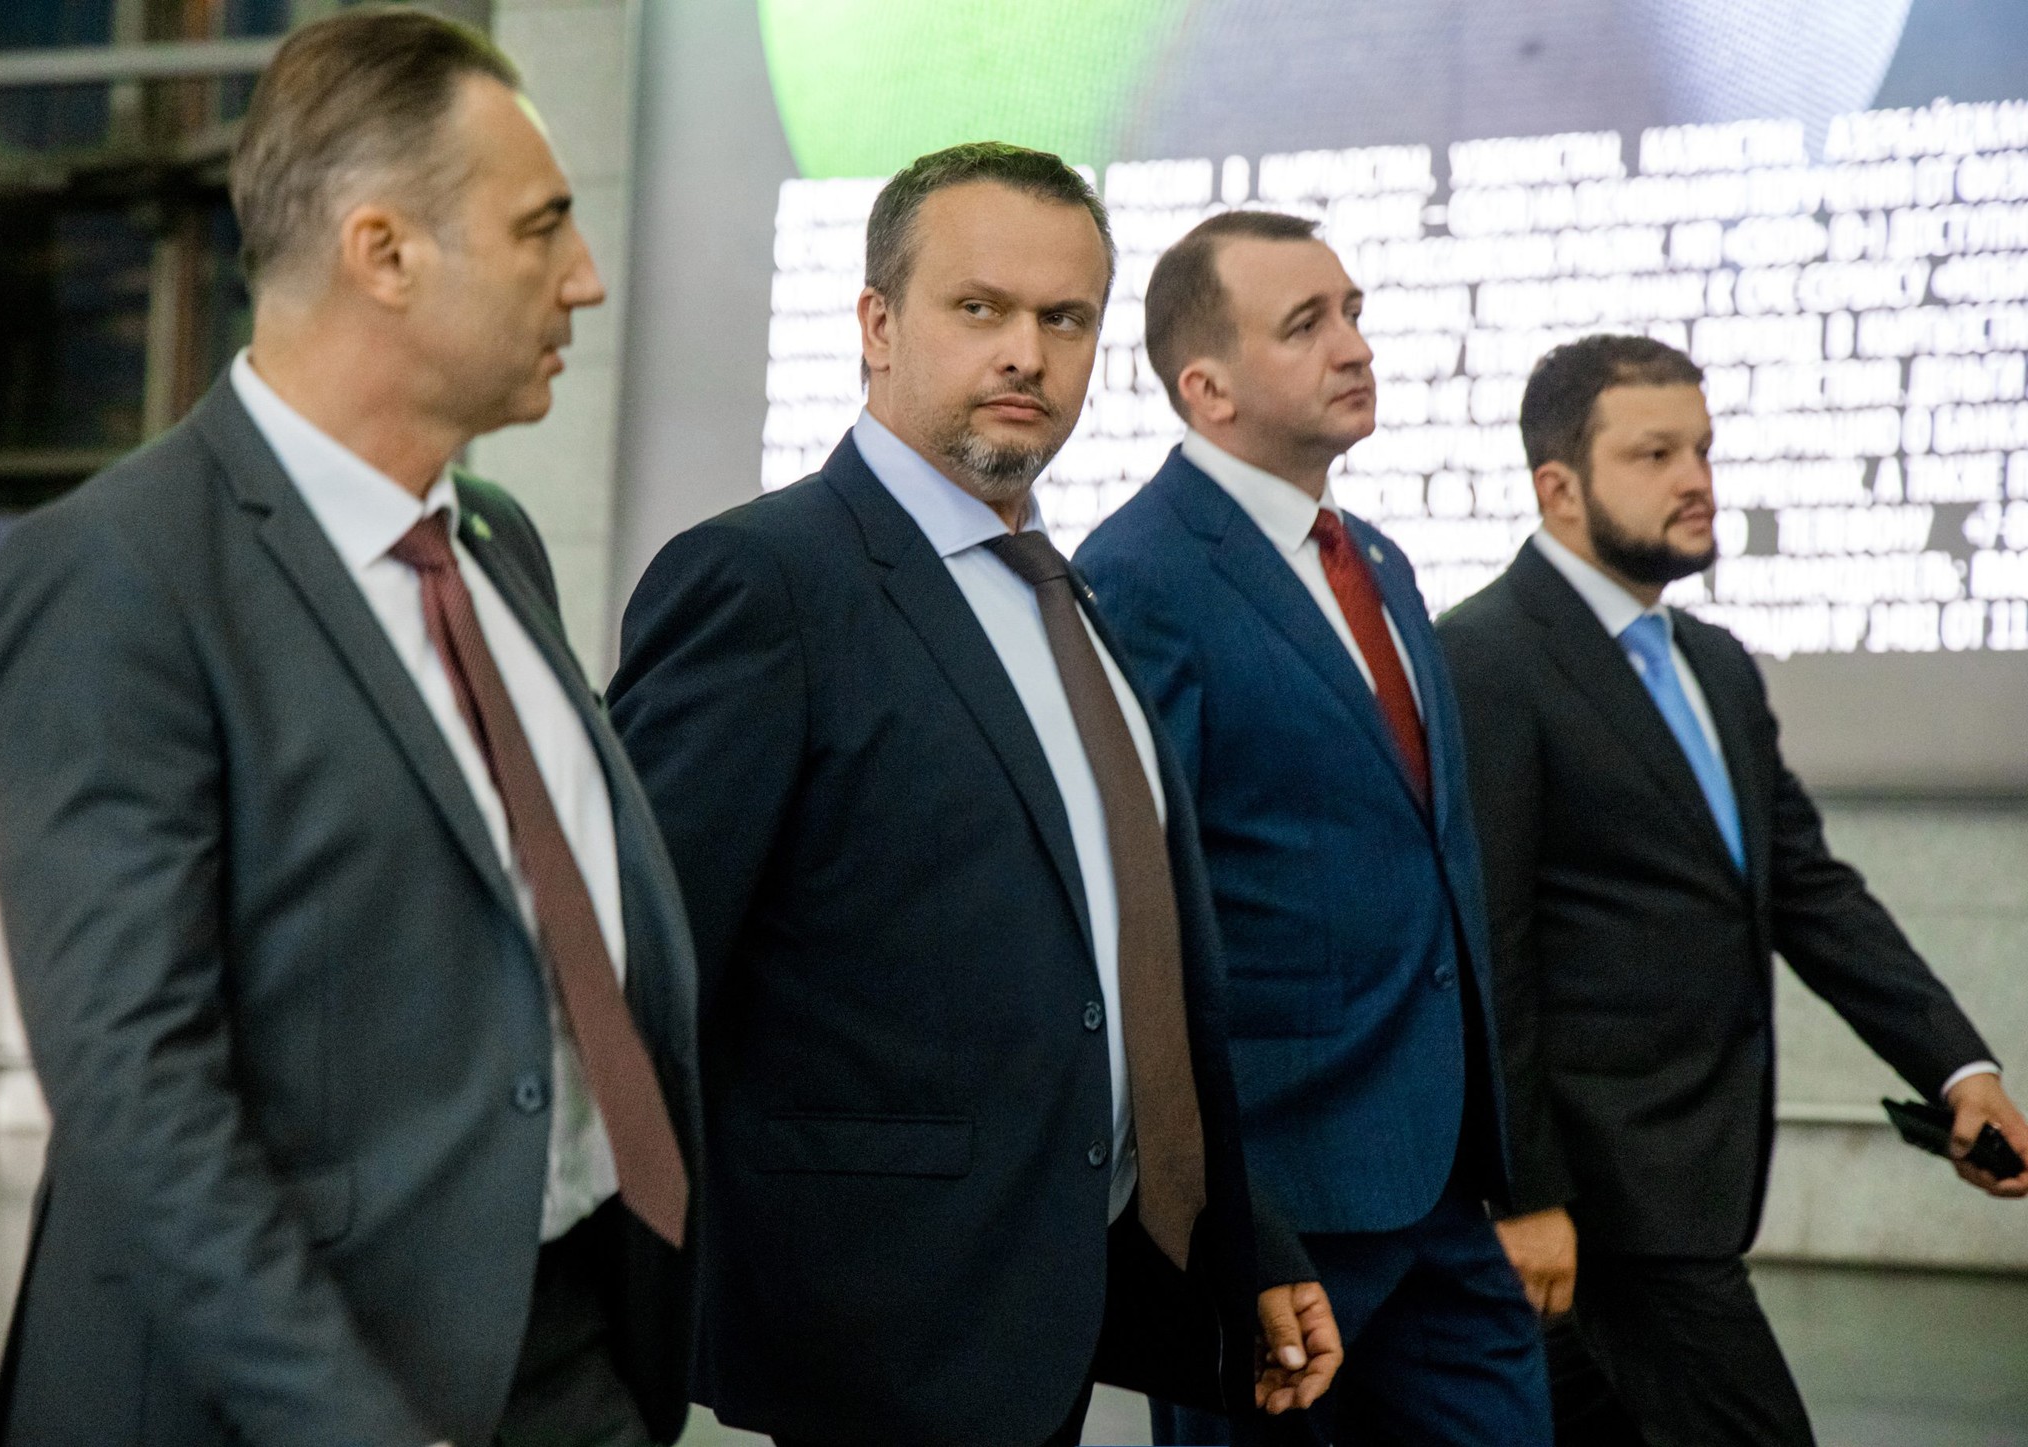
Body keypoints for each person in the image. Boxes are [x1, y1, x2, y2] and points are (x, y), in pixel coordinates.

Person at [0, 12, 702, 1446]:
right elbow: (139, 1102)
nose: (587, 275)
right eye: (541, 228)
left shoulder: (492, 543)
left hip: (564, 1349)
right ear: (384, 253)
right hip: (294, 1390)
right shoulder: (117, 573)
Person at [608, 142, 1340, 1447]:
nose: (1026, 354)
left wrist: (1245, 1236)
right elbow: (642, 973)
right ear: (877, 326)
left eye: (1064, 318)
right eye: (979, 307)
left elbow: (1124, 966)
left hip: (1046, 1311)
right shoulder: (763, 582)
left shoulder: (1065, 596)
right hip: (871, 1332)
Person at [1437, 332, 2028, 1447]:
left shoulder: (1711, 661)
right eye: (1653, 454)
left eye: (1701, 449)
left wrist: (1957, 1067)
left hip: (1697, 1177)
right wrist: (1523, 1192)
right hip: (1604, 1198)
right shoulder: (1483, 656)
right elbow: (1487, 948)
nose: (1696, 479)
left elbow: (1807, 891)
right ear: (1557, 489)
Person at [1074, 211, 1551, 1446]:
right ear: (1206, 388)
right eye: (1304, 325)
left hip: (1440, 1183)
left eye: (1351, 313)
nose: (1352, 345)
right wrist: (1223, 1210)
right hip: (1278, 1205)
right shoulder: (1139, 574)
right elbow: (1144, 914)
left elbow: (1435, 863)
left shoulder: (1377, 560)